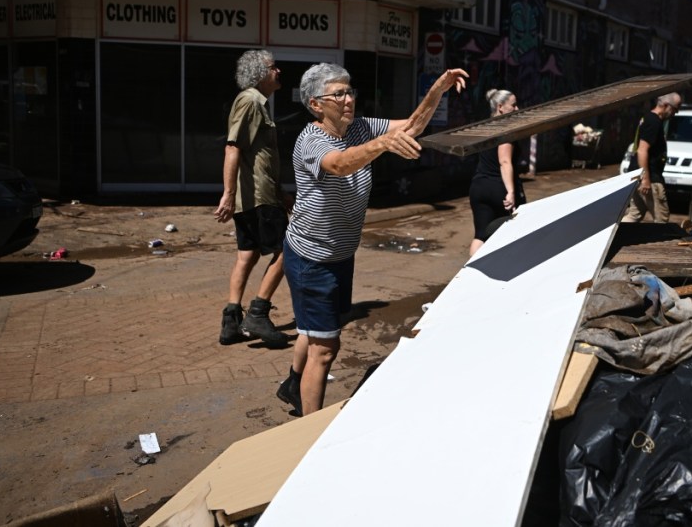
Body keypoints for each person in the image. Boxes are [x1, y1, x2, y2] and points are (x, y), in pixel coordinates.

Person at [276, 62, 468, 416]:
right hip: (312, 258)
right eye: (339, 93)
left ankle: (292, 382)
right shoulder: (311, 140)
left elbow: (410, 126)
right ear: (316, 104)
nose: (348, 99)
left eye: (350, 91)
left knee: (317, 328)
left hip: (339, 254)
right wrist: (383, 143)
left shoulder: (359, 127)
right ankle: (307, 434)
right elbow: (339, 164)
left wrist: (436, 91)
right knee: (325, 348)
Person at [213, 49, 291, 348]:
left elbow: (260, 155)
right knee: (289, 249)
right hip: (255, 197)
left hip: (257, 195)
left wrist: (280, 190)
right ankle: (258, 312)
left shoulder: (258, 103)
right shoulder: (250, 101)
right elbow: (232, 148)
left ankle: (231, 321)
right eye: (274, 67)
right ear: (260, 73)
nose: (279, 71)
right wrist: (228, 195)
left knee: (248, 254)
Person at [468, 89, 526, 256]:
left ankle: (471, 275)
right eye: (513, 105)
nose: (517, 109)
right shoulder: (505, 130)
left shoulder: (486, 127)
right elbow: (504, 161)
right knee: (515, 232)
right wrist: (511, 192)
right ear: (500, 107)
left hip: (479, 187)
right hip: (498, 188)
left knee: (480, 236)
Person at [621, 92, 682, 223]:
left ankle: (614, 236)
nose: (676, 113)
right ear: (666, 105)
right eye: (676, 108)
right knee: (662, 219)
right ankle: (662, 243)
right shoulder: (653, 122)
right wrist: (646, 179)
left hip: (637, 175)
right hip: (649, 178)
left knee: (634, 215)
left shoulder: (649, 118)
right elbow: (642, 150)